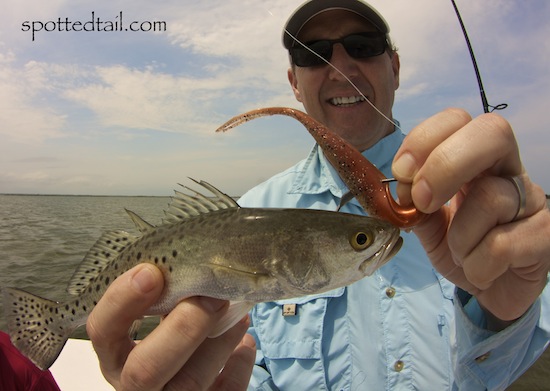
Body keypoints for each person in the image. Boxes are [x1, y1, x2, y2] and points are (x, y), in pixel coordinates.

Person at [87, 0, 550, 390]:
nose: (340, 68)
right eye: (314, 56)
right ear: (294, 82)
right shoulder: (251, 209)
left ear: (395, 66)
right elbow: (249, 365)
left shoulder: (479, 204)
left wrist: (502, 317)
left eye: (363, 47)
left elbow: (506, 373)